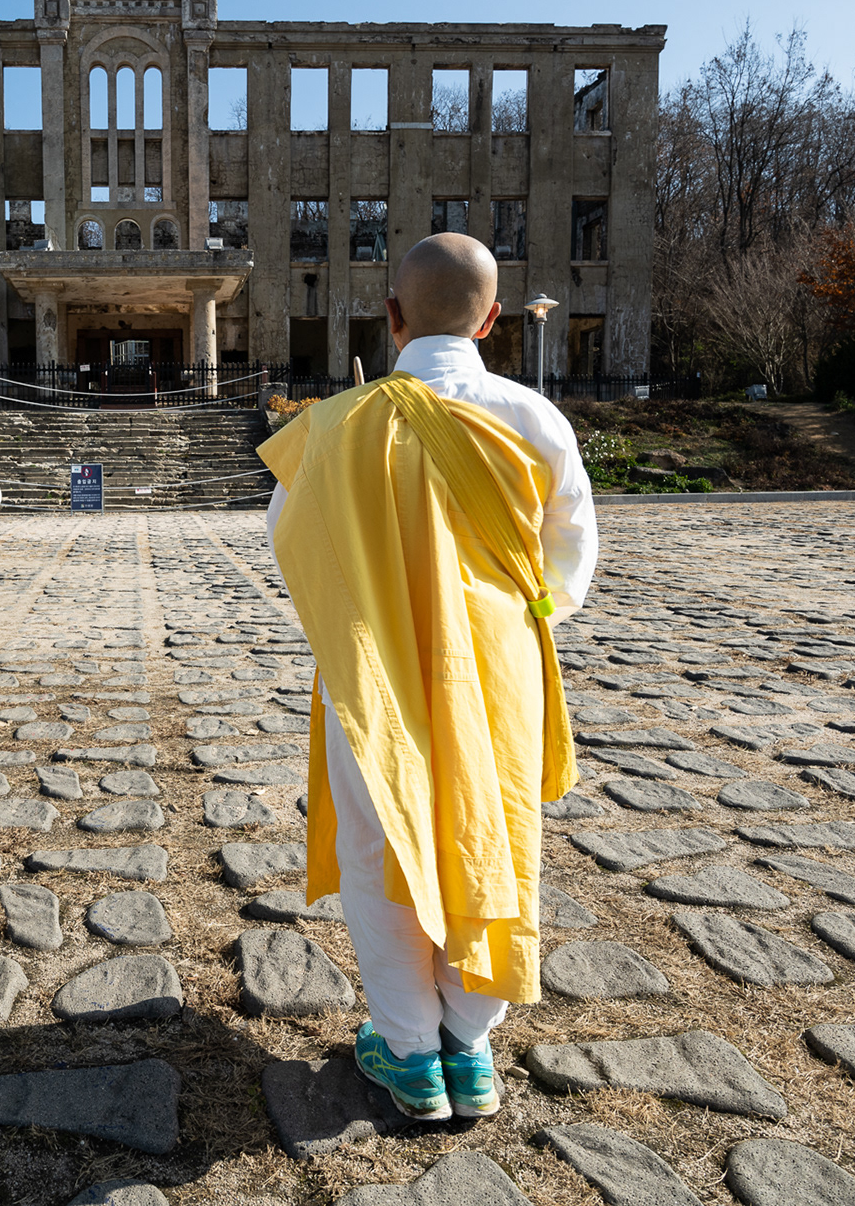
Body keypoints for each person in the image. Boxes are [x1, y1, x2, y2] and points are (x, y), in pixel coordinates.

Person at [258, 232, 597, 1121]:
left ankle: (408, 1051)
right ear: (493, 319)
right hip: (497, 667)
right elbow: (569, 564)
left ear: (392, 314)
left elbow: (286, 536)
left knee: (383, 847)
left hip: (373, 661)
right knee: (492, 833)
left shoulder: (334, 426)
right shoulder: (536, 419)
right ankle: (469, 1046)